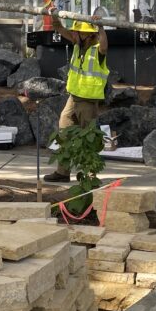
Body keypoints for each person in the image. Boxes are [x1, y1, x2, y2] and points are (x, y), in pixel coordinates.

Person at [42, 11, 108, 183]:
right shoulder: (78, 46)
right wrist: (53, 14)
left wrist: (100, 27)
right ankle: (63, 172)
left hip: (87, 102)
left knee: (89, 139)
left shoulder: (97, 50)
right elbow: (59, 28)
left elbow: (104, 46)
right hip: (73, 98)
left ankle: (90, 176)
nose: (73, 34)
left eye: (76, 32)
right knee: (64, 132)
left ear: (85, 35)